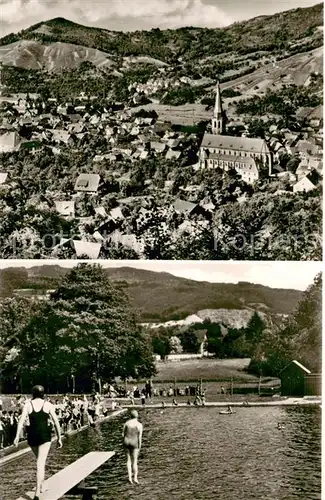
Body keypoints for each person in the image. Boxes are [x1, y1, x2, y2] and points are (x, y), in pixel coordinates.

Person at [14, 385, 62, 500]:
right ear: (43, 394)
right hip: (44, 436)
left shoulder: (28, 405)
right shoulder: (48, 405)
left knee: (40, 461)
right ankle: (37, 493)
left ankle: (42, 485)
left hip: (32, 436)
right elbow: (56, 421)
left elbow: (21, 421)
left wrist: (16, 436)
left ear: (33, 394)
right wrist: (59, 438)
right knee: (40, 463)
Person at [122, 409, 143, 484]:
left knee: (128, 460)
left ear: (130, 416)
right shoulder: (139, 425)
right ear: (137, 416)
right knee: (134, 461)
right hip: (134, 442)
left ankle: (129, 478)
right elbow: (140, 437)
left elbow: (123, 434)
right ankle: (135, 478)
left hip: (127, 441)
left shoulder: (126, 423)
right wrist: (139, 446)